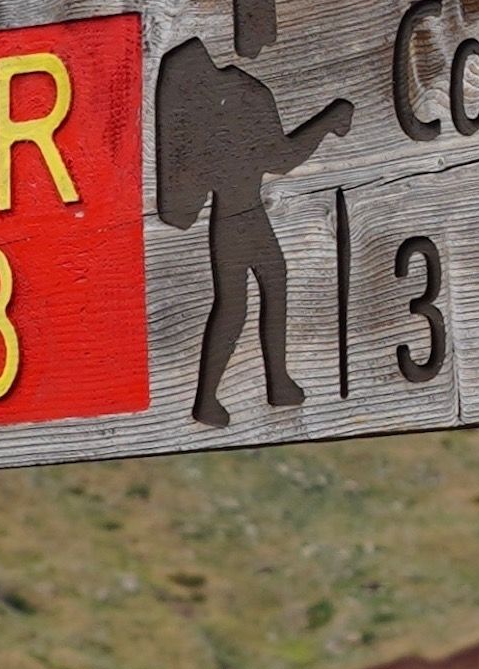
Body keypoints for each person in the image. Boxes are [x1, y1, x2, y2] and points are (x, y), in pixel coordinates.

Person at [145, 34, 352, 424]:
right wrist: (327, 122)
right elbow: (282, 157)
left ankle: (273, 382)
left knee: (265, 285)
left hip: (243, 214)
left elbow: (274, 157)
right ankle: (214, 396)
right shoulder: (242, 95)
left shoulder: (227, 99)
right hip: (237, 217)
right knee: (236, 304)